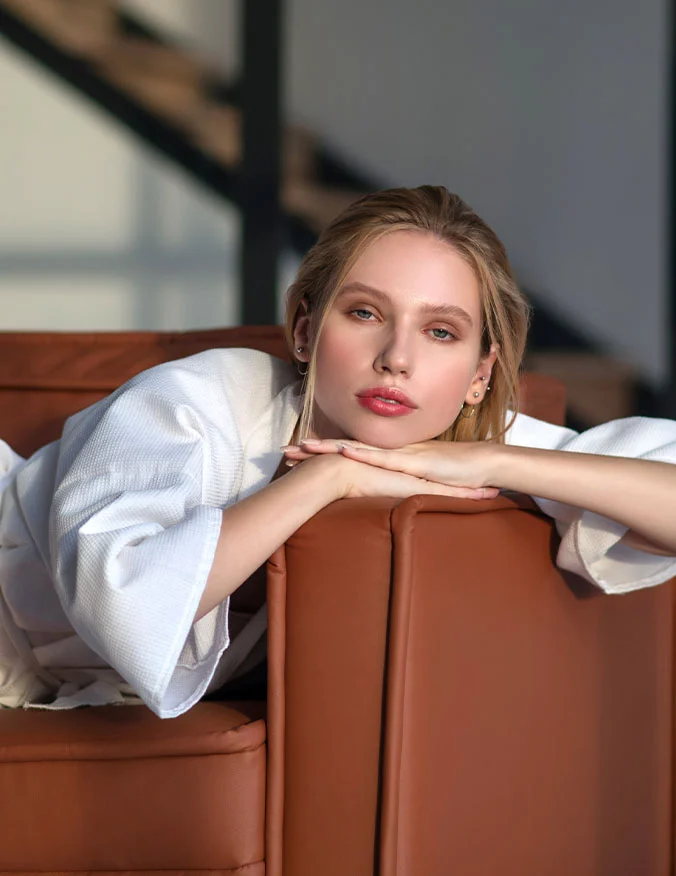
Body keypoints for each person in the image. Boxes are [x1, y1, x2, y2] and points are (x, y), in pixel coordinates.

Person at [0, 186, 675, 719]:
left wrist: (494, 464)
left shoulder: (456, 442)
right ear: (304, 328)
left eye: (441, 331)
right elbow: (122, 596)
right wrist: (324, 479)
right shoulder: (193, 397)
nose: (397, 359)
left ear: (480, 374)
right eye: (364, 313)